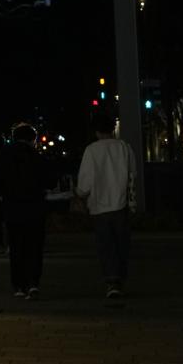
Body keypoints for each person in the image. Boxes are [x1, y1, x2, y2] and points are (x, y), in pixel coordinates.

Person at [76, 109, 136, 298]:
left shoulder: (91, 150)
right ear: (113, 129)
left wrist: (80, 194)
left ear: (96, 131)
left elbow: (85, 182)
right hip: (121, 204)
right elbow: (133, 175)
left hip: (99, 205)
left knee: (105, 244)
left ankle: (111, 281)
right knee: (121, 244)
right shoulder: (124, 147)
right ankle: (120, 279)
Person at [1, 124, 51, 299]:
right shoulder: (37, 156)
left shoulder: (4, 156)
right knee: (34, 247)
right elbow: (49, 181)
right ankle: (33, 283)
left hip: (13, 206)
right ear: (32, 139)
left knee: (16, 246)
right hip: (35, 207)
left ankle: (18, 286)